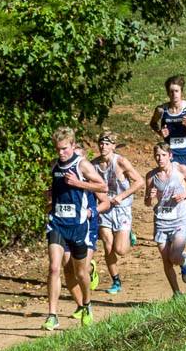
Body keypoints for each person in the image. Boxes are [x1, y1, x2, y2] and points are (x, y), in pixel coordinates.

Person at [43, 127, 107, 330]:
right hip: (57, 223)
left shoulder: (82, 165)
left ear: (72, 145)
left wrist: (79, 183)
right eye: (58, 149)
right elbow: (56, 189)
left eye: (64, 149)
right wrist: (50, 195)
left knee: (80, 273)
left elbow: (102, 187)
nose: (61, 153)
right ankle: (52, 315)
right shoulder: (55, 166)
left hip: (78, 225)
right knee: (54, 267)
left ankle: (87, 304)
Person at [145, 142, 186, 297]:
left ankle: (183, 261)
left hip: (179, 220)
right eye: (157, 155)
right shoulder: (151, 176)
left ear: (170, 155)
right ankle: (176, 293)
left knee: (175, 257)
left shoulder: (180, 169)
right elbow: (147, 202)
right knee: (166, 261)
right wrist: (149, 197)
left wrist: (185, 194)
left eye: (163, 155)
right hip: (161, 220)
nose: (160, 158)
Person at [92, 132, 142, 294]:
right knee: (108, 246)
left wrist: (121, 196)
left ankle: (128, 235)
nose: (103, 146)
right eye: (101, 143)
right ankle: (116, 281)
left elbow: (139, 181)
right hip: (105, 209)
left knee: (120, 249)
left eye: (107, 144)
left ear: (114, 146)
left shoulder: (120, 162)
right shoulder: (93, 165)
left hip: (122, 209)